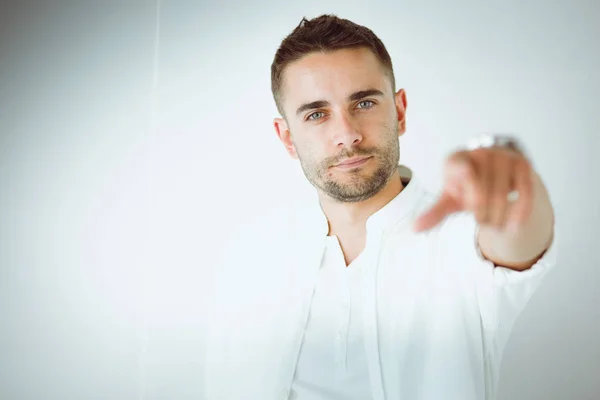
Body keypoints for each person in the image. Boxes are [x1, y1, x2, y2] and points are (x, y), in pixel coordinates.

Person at [204, 14, 557, 400]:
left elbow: (517, 236)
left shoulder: (461, 241)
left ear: (400, 111)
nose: (347, 135)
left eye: (365, 103)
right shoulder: (252, 259)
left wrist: (510, 182)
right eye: (317, 114)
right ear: (287, 138)